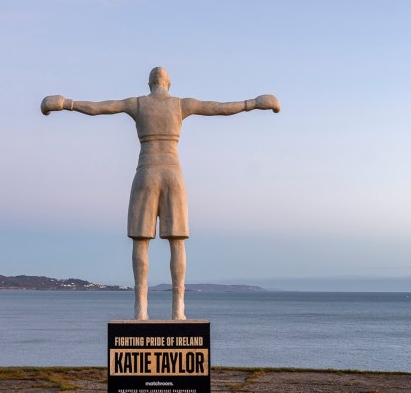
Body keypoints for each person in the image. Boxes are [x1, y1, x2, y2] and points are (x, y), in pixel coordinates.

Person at [41, 67, 280, 320]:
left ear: (149, 84)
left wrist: (66, 103)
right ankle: (179, 309)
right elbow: (218, 107)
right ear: (169, 84)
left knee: (140, 242)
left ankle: (140, 309)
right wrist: (253, 103)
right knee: (177, 242)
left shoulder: (137, 103)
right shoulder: (180, 104)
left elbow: (99, 107)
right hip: (173, 174)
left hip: (146, 171)